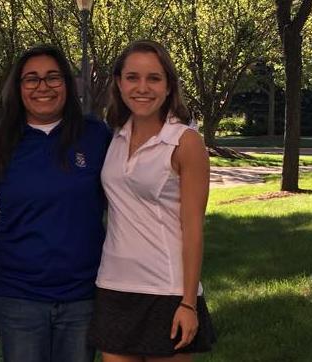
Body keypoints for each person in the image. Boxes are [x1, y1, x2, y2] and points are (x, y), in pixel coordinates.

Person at [88, 40, 216, 362]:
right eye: (132, 77)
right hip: (113, 284)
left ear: (169, 85)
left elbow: (193, 229)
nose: (142, 88)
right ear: (119, 83)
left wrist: (188, 302)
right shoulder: (114, 134)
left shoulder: (186, 143)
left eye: (154, 78)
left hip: (167, 290)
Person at [0, 44, 111, 362]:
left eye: (53, 77)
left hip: (82, 294)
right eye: (32, 79)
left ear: (67, 84)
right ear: (18, 87)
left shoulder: (95, 136)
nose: (43, 86)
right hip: (18, 294)